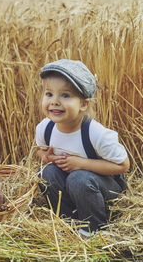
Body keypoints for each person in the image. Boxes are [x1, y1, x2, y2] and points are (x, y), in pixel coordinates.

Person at [35, 59, 130, 238]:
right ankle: (67, 220)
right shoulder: (45, 128)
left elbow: (123, 166)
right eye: (49, 94)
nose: (54, 101)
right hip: (71, 186)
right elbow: (39, 151)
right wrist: (46, 158)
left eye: (65, 95)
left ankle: (93, 228)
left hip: (104, 190)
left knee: (79, 178)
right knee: (46, 173)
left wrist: (82, 164)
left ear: (84, 104)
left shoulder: (96, 134)